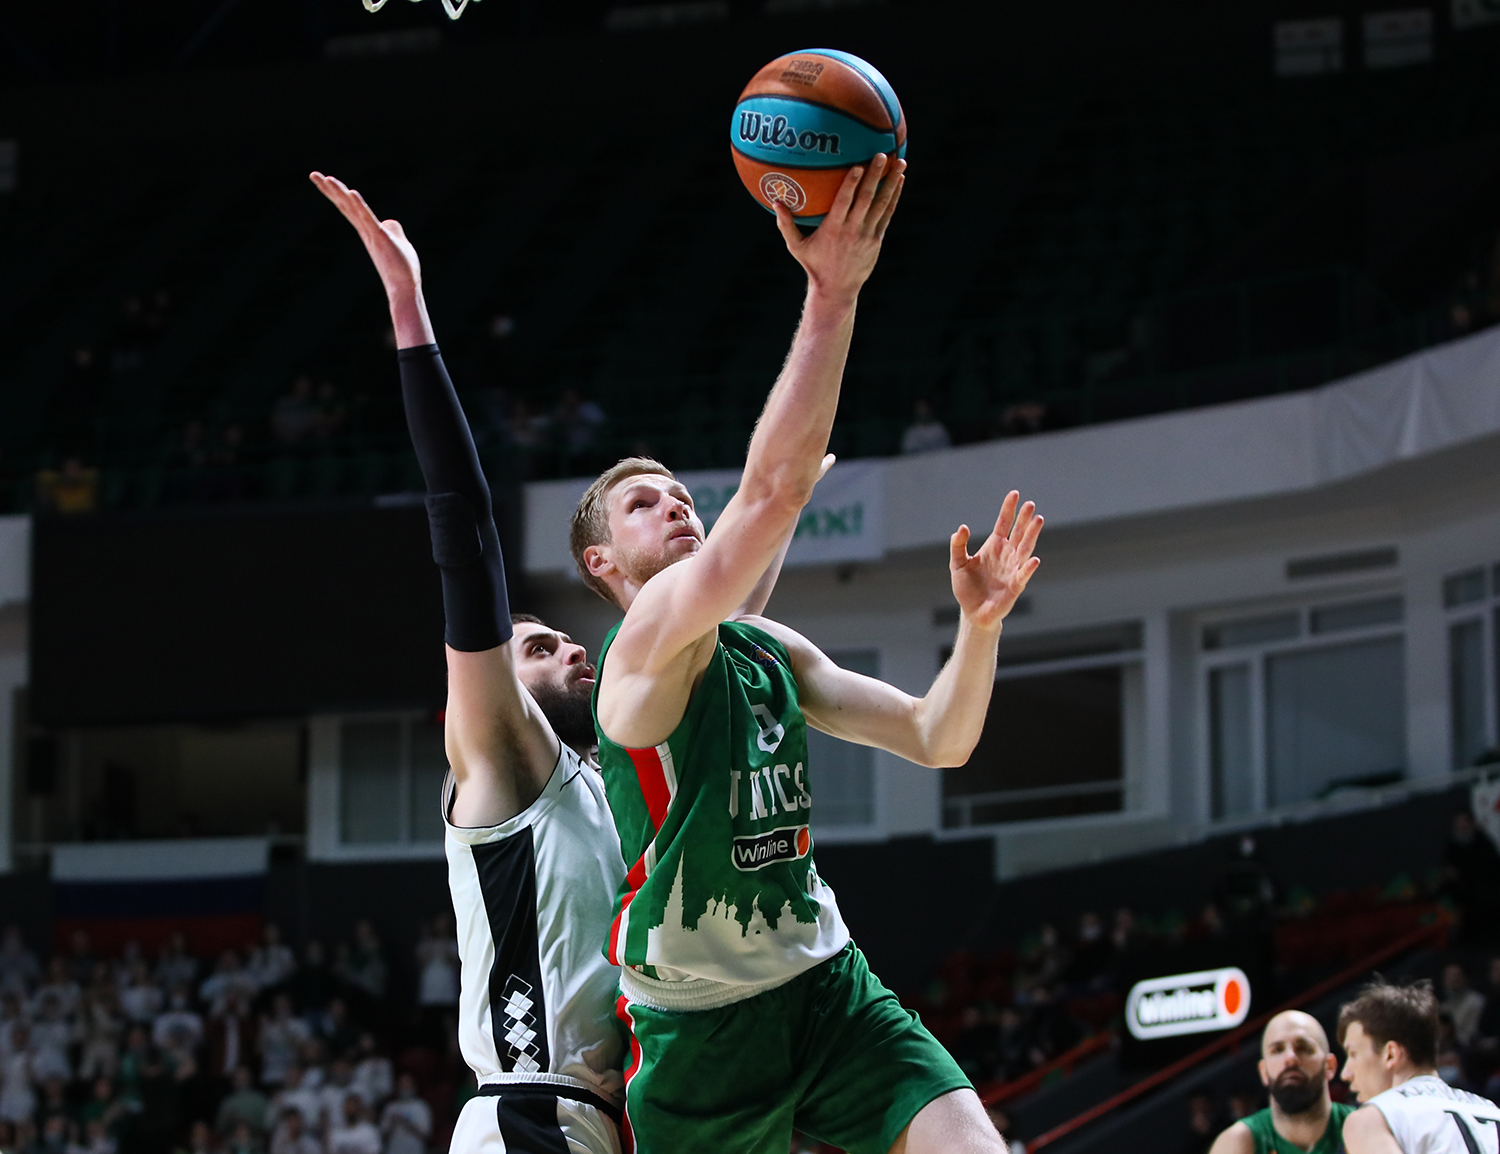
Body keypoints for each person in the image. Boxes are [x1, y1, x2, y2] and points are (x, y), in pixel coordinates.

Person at [311, 167, 815, 1154]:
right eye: (539, 647)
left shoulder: (610, 776)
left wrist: (783, 502)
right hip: (526, 1112)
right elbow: (466, 535)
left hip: (614, 1120)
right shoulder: (501, 767)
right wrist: (410, 309)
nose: (572, 647)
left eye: (568, 637)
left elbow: (724, 632)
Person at [573, 157, 1041, 1154]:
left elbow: (937, 737)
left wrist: (981, 626)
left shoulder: (765, 646)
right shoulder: (637, 649)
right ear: (600, 561)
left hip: (828, 986)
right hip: (699, 1027)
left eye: (683, 495)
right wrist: (831, 293)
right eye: (643, 504)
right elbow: (774, 493)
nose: (676, 506)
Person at [1339, 977, 1500, 1153]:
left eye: (1353, 1054)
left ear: (1391, 1054)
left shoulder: (1373, 1118)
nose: (1346, 1073)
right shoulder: (1490, 1110)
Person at [1207, 1011, 1352, 1154]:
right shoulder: (1236, 1143)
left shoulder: (1359, 1127)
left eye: (1303, 1048)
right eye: (1277, 1050)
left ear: (1329, 1066)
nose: (1290, 1057)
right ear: (1263, 1071)